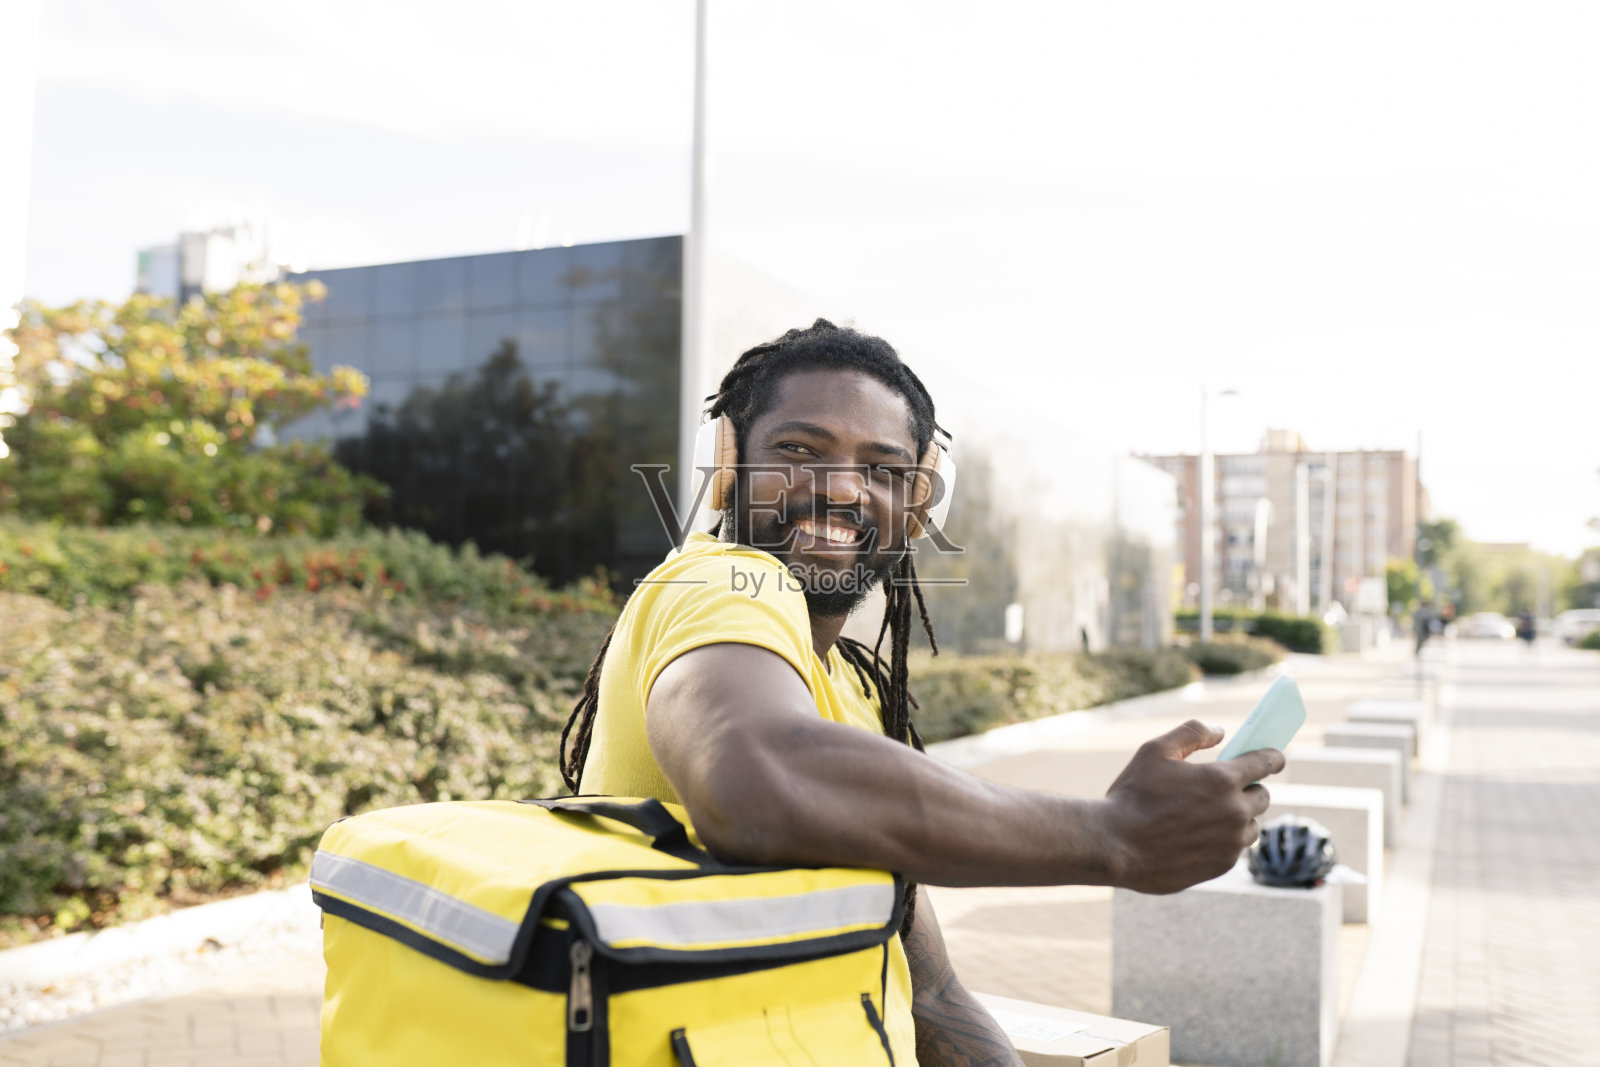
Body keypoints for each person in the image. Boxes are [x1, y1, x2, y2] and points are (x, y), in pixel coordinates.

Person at [560, 320, 1282, 1067]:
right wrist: (1117, 834)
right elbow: (757, 779)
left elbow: (929, 992)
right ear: (730, 460)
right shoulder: (714, 580)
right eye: (800, 450)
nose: (842, 487)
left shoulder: (848, 690)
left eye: (882, 466)